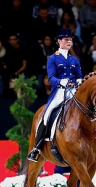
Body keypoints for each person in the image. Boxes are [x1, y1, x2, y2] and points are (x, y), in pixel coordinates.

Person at [27, 29, 83, 162]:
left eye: (70, 40)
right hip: (59, 91)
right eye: (66, 40)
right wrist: (62, 81)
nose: (69, 42)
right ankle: (37, 147)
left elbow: (79, 76)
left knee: (90, 110)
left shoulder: (74, 59)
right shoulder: (52, 58)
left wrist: (80, 81)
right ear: (59, 41)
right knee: (46, 115)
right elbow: (51, 78)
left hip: (74, 91)